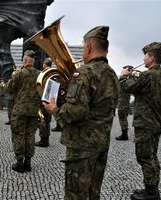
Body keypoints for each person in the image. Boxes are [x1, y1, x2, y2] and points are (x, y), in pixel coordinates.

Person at [43, 26, 119, 199]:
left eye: (84, 46)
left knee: (75, 194)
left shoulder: (83, 73)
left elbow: (74, 111)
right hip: (101, 143)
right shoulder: (112, 74)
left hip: (82, 145)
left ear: (89, 47)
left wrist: (53, 108)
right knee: (93, 192)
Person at [120, 42, 161, 200]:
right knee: (152, 156)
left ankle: (151, 192)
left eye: (146, 55)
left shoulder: (148, 75)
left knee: (144, 157)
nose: (143, 58)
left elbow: (128, 87)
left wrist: (124, 75)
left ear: (152, 58)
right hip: (156, 122)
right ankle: (151, 188)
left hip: (145, 123)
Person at [6, 50, 41, 173]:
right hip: (33, 111)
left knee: (18, 135)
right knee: (30, 136)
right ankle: (28, 162)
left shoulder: (20, 74)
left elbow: (9, 88)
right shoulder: (40, 74)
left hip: (20, 111)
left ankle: (20, 162)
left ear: (25, 61)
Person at [36, 58, 53, 147]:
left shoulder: (43, 74)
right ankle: (47, 139)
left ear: (44, 64)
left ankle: (43, 140)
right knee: (48, 121)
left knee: (42, 121)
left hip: (43, 100)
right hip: (50, 101)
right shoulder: (53, 73)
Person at [115, 65, 133, 141]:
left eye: (124, 70)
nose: (122, 71)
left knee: (122, 117)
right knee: (123, 117)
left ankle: (124, 134)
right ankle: (124, 133)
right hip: (122, 100)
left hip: (123, 101)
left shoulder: (127, 80)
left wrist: (123, 76)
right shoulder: (128, 79)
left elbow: (122, 85)